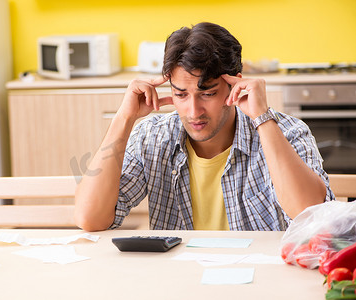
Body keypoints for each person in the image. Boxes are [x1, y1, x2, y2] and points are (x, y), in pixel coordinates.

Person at [74, 22, 334, 232]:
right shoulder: (151, 137)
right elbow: (90, 219)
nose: (193, 111)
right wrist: (124, 119)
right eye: (181, 94)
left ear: (235, 86)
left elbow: (311, 218)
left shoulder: (287, 132)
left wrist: (262, 118)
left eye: (207, 94)